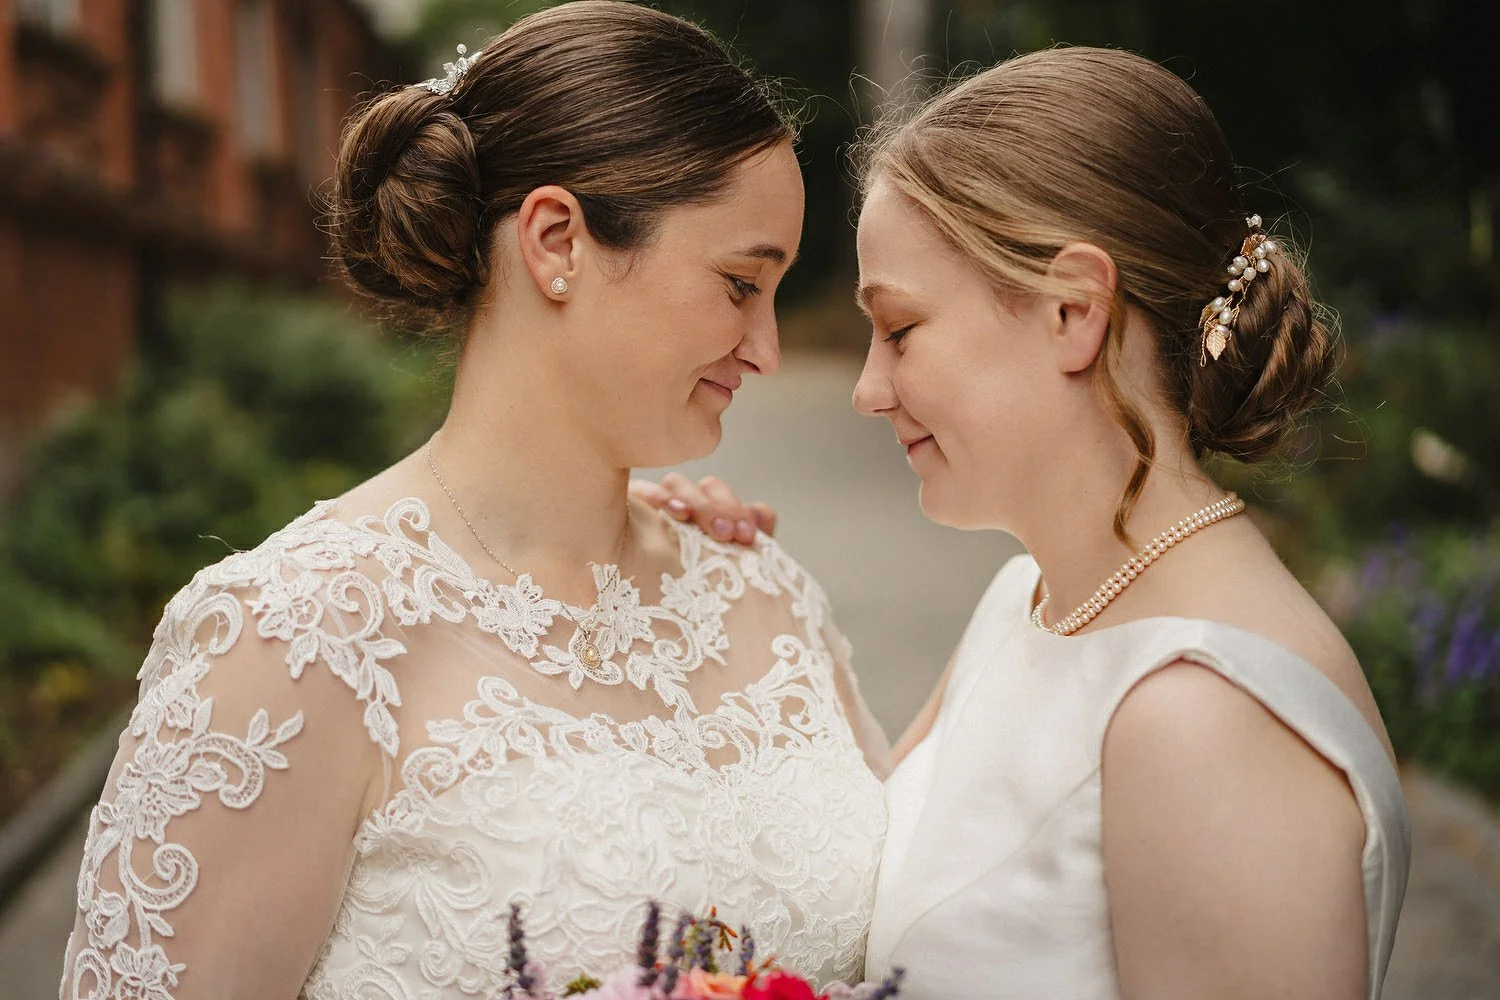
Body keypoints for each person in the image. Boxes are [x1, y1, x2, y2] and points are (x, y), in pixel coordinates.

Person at [58, 5, 891, 998]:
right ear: (556, 242)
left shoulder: (765, 592)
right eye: (739, 282)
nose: (767, 348)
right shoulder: (289, 644)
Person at [643, 46, 1410, 1000]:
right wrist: (743, 598)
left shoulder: (1205, 719)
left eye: (903, 329)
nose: (868, 391)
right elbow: (914, 866)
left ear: (1073, 311)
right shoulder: (1036, 599)